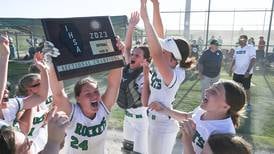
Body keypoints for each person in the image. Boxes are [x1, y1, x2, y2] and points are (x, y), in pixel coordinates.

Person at [45, 40, 123, 154]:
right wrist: (52, 65)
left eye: (96, 91)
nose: (94, 95)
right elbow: (58, 94)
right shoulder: (73, 113)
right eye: (87, 93)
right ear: (78, 98)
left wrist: (117, 55)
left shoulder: (103, 108)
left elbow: (114, 84)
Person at [140, 0, 194, 153]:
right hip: (153, 120)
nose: (160, 51)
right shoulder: (169, 64)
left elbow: (156, 53)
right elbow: (158, 35)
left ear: (173, 58)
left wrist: (145, 19)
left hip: (163, 126)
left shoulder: (175, 74)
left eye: (165, 50)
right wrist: (156, 5)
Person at [150, 80, 246, 153]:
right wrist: (164, 110)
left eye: (214, 92)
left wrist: (187, 140)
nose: (207, 90)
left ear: (226, 106)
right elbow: (187, 116)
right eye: (210, 87)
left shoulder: (223, 134)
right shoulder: (205, 109)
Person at [117, 11, 151, 154]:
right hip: (128, 118)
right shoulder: (128, 66)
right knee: (126, 150)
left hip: (141, 121)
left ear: (144, 61)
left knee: (138, 152)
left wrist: (145, 72)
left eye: (137, 55)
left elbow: (146, 101)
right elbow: (127, 48)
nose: (132, 56)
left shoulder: (144, 76)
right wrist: (130, 27)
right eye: (133, 54)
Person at [229, 35, 256, 109]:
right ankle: (235, 103)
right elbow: (234, 59)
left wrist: (247, 71)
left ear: (246, 40)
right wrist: (231, 69)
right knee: (235, 88)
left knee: (247, 89)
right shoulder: (237, 48)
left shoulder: (250, 47)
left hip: (246, 73)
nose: (241, 41)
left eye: (243, 40)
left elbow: (253, 60)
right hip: (237, 72)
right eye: (240, 39)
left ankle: (249, 104)